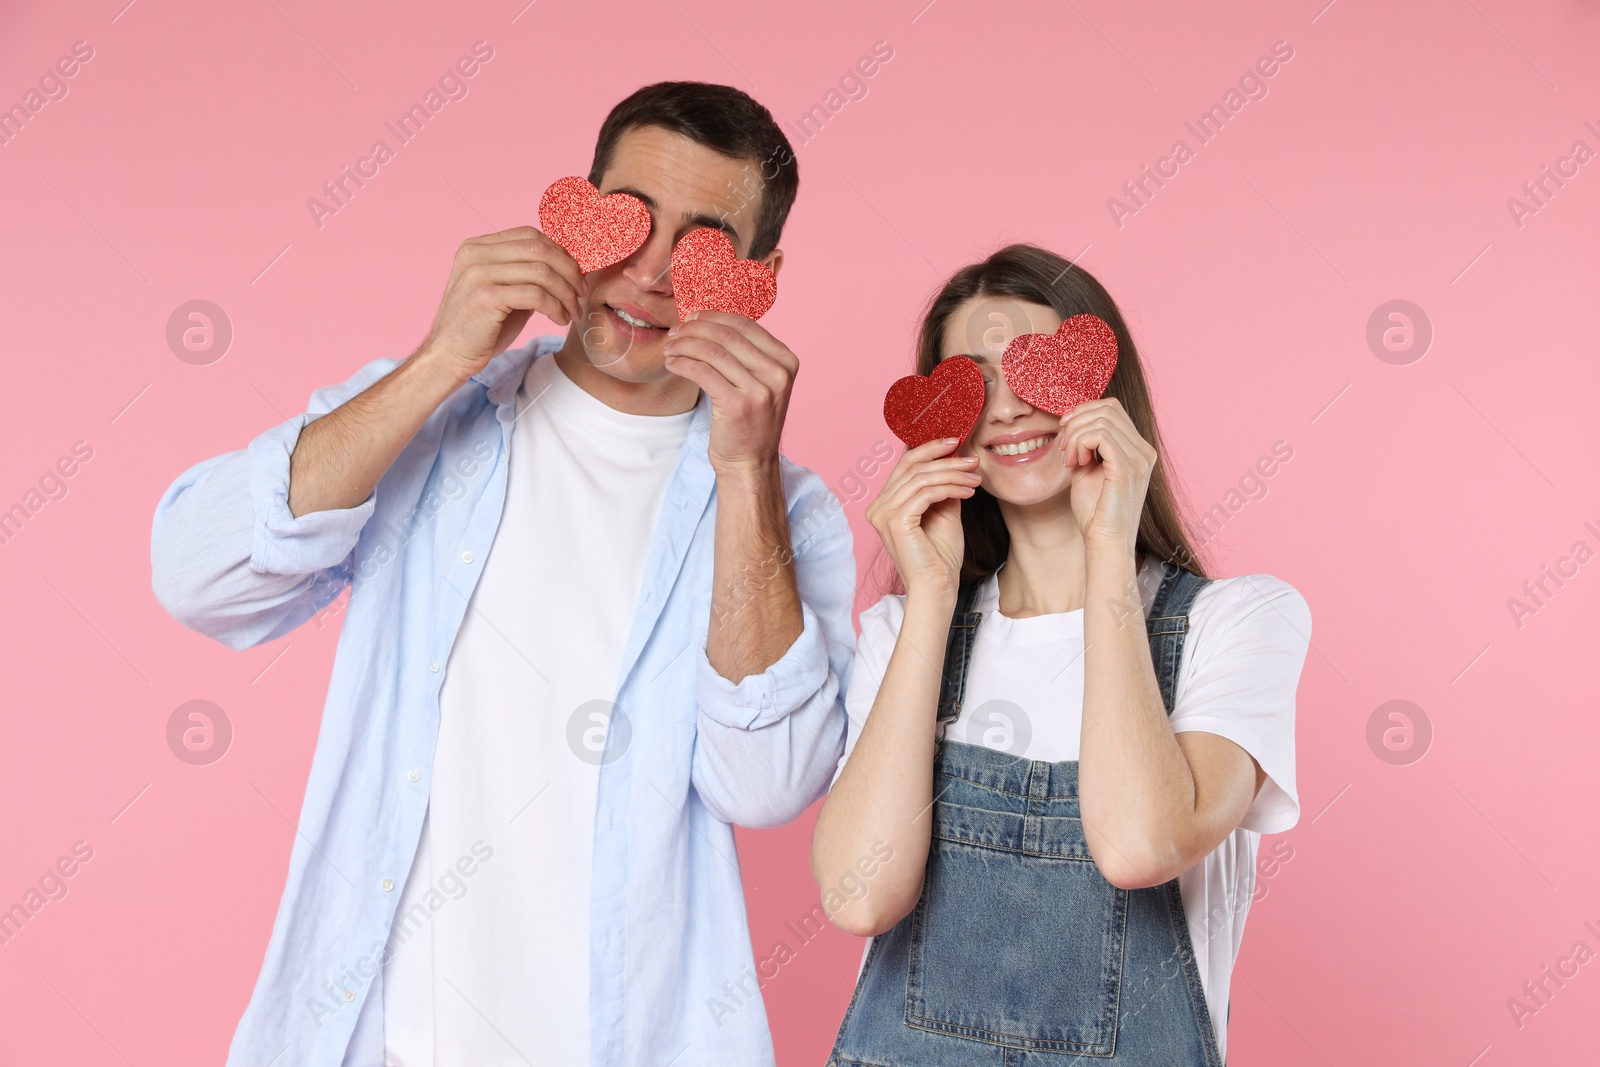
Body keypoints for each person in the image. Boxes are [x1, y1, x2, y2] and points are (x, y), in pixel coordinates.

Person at [150, 81, 857, 1067]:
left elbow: (768, 784)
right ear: (572, 209)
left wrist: (742, 471)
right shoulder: (422, 415)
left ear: (760, 278)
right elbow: (197, 573)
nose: (650, 272)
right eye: (628, 221)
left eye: (702, 246)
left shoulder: (790, 511)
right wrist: (442, 355)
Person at [810, 244, 1310, 1065]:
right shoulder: (903, 634)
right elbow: (861, 894)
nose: (1006, 409)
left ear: (1107, 391)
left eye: (1036, 370)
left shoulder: (1239, 622)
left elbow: (1141, 845)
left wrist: (1108, 546)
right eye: (974, 382)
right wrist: (931, 596)